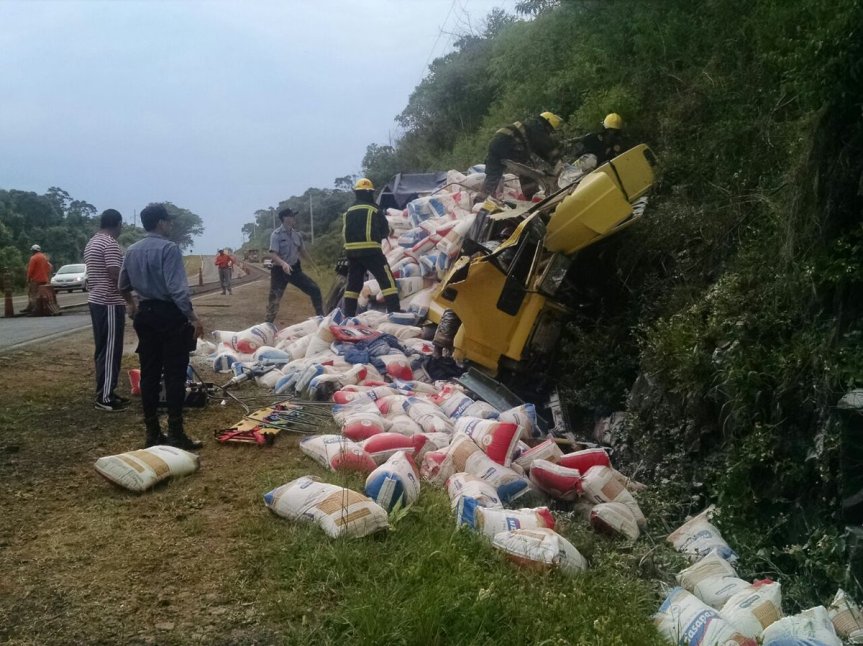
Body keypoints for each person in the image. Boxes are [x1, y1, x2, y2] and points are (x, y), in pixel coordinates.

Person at [119, 204, 203, 450]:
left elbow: (122, 284)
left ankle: (153, 432)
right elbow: (177, 290)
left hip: (145, 316)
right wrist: (193, 317)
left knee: (149, 374)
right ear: (160, 223)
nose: (170, 224)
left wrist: (131, 304)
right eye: (168, 221)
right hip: (169, 316)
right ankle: (176, 432)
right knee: (175, 374)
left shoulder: (131, 250)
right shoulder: (169, 249)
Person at [84, 209, 135, 411]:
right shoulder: (110, 244)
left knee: (103, 348)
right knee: (111, 350)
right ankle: (104, 397)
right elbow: (116, 275)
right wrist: (130, 300)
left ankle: (107, 391)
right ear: (119, 224)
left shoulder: (92, 242)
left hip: (97, 300)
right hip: (109, 302)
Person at [341, 178, 400, 317]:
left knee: (353, 285)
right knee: (386, 280)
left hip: (352, 253)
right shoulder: (374, 209)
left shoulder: (349, 211)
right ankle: (394, 312)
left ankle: (348, 315)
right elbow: (385, 231)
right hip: (371, 251)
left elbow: (344, 232)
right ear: (370, 193)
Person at [480, 111, 563, 200]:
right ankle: (533, 197)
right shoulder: (537, 127)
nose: (549, 133)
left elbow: (539, 151)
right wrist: (558, 162)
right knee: (528, 169)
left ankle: (481, 199)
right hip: (510, 142)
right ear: (548, 125)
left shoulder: (529, 126)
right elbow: (547, 148)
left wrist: (551, 161)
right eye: (550, 130)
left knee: (492, 175)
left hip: (495, 143)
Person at [265, 208, 324, 322]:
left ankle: (321, 319)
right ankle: (268, 324)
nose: (294, 218)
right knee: (274, 299)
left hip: (294, 270)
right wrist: (283, 264)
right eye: (291, 216)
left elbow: (303, 252)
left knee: (315, 289)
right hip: (279, 271)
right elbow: (273, 254)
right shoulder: (276, 235)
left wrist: (314, 266)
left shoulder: (297, 235)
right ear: (285, 218)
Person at [22, 244, 52, 313]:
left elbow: (30, 270)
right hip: (44, 280)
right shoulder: (44, 257)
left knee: (33, 294)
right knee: (41, 294)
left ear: (33, 251)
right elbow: (49, 268)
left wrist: (28, 278)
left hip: (35, 280)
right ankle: (33, 307)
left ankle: (34, 309)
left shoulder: (33, 258)